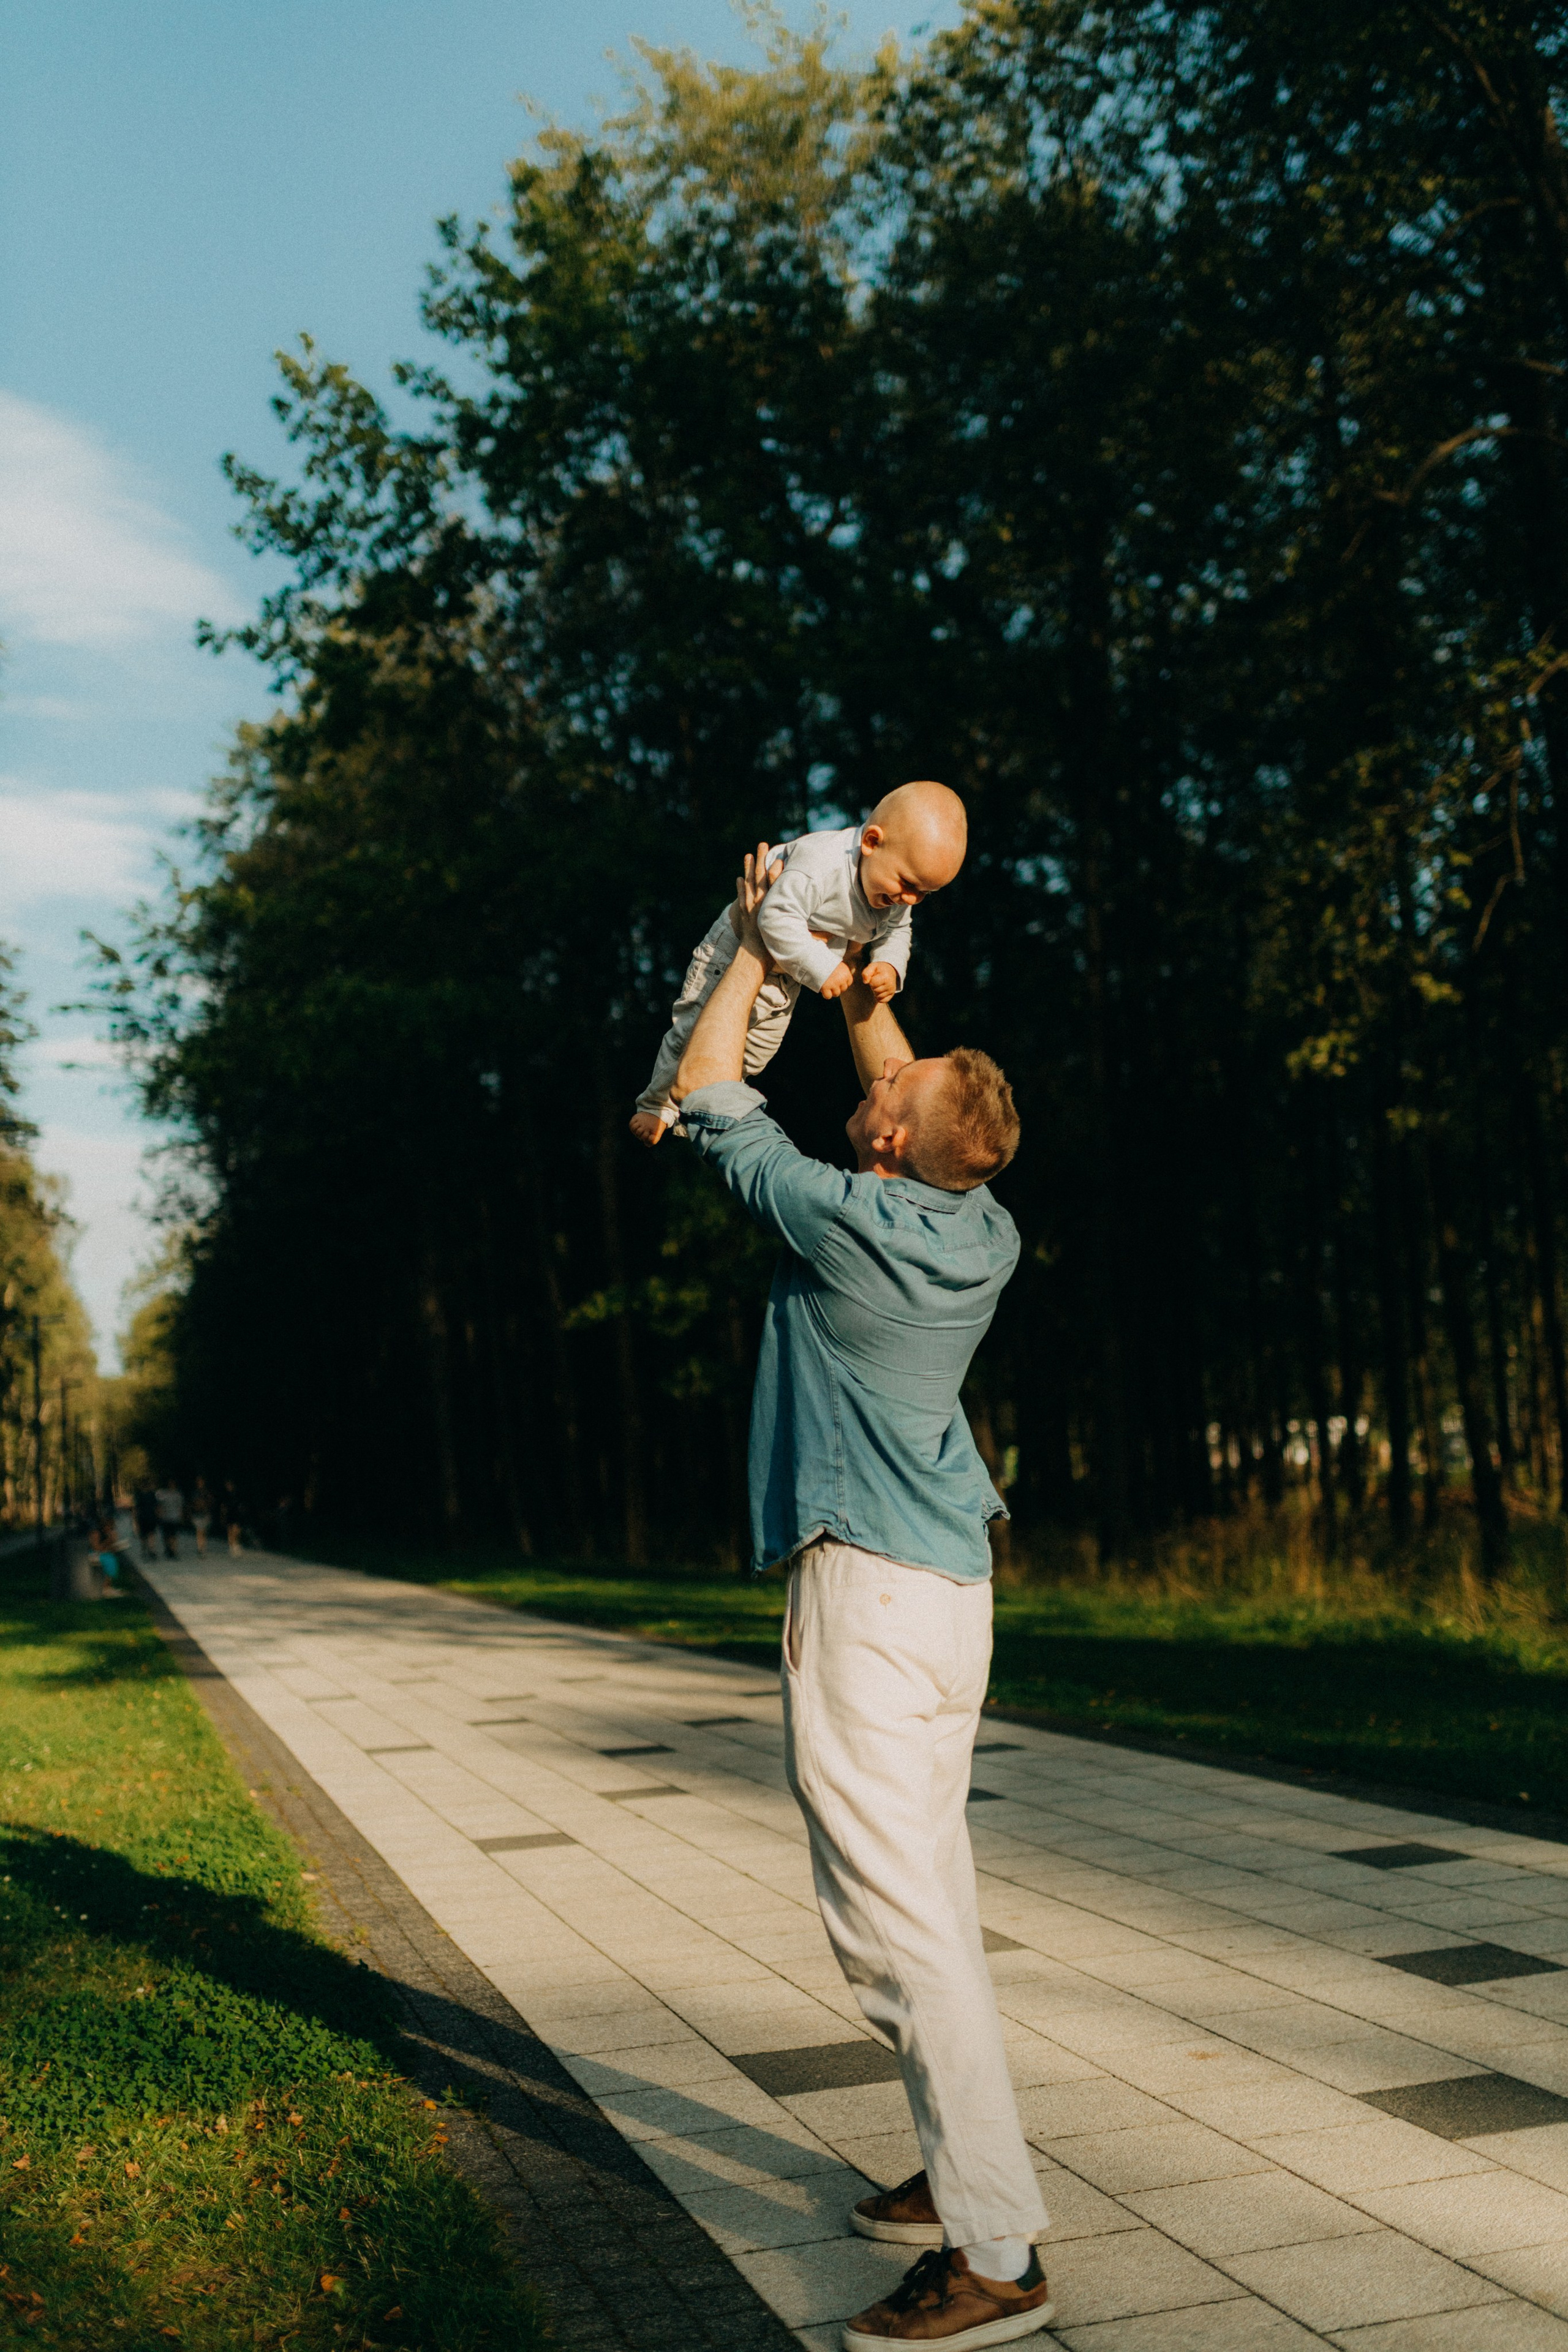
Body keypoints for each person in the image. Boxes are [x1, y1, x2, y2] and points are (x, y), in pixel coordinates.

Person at [668, 850, 1053, 2349]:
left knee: (893, 1932)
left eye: (903, 1077)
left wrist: (765, 950)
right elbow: (906, 1083)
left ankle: (998, 2249)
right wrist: (853, 988)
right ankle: (959, 2166)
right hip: (950, 1595)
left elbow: (708, 1090)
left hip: (874, 1602)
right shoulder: (980, 1223)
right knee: (929, 1901)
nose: (889, 1061)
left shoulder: (843, 1220)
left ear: (890, 1138)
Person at [630, 782, 968, 1145]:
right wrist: (824, 966)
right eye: (908, 884)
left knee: (759, 1047)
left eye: (925, 893)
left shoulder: (895, 893)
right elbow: (772, 917)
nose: (911, 899)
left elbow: (898, 931)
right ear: (871, 842)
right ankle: (656, 1104)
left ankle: (696, 1105)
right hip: (736, 948)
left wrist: (889, 966)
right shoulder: (820, 864)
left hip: (792, 968)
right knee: (696, 1026)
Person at [154, 1479, 184, 1560]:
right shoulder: (163, 1494)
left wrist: (181, 1516)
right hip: (166, 1518)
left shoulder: (178, 1494)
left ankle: (173, 1551)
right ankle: (169, 1549)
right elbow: (159, 1506)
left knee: (173, 1536)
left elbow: (180, 1507)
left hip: (174, 1518)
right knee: (167, 1536)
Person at [132, 1487, 159, 1562]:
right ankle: (151, 1550)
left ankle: (145, 1549)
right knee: (151, 1534)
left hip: (142, 1517)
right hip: (150, 1517)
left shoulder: (139, 1495)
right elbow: (156, 1507)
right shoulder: (152, 1494)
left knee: (145, 1535)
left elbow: (135, 1508)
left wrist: (135, 1520)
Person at [190, 1477, 213, 1558]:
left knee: (204, 1532)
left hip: (205, 1514)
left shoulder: (206, 1493)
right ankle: (200, 1548)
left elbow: (210, 1503)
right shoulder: (195, 1493)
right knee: (199, 1531)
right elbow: (192, 1504)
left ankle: (203, 1547)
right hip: (197, 1514)